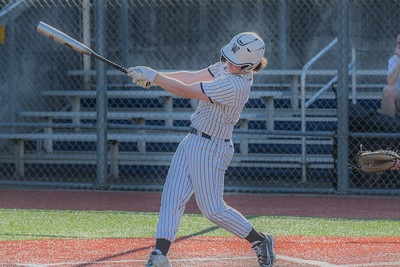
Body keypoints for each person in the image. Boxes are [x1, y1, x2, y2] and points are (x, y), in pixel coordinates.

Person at [127, 32, 276, 267]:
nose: (228, 63)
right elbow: (190, 77)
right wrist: (156, 77)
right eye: (227, 57)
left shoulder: (235, 85)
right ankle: (160, 255)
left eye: (234, 62)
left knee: (213, 210)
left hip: (212, 148)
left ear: (249, 66)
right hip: (193, 139)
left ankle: (260, 241)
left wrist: (155, 77)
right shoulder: (226, 68)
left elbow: (187, 91)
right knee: (172, 197)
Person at [382, 33, 400, 117]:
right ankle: (389, 127)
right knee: (387, 90)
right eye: (398, 43)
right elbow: (390, 83)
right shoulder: (394, 59)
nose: (398, 46)